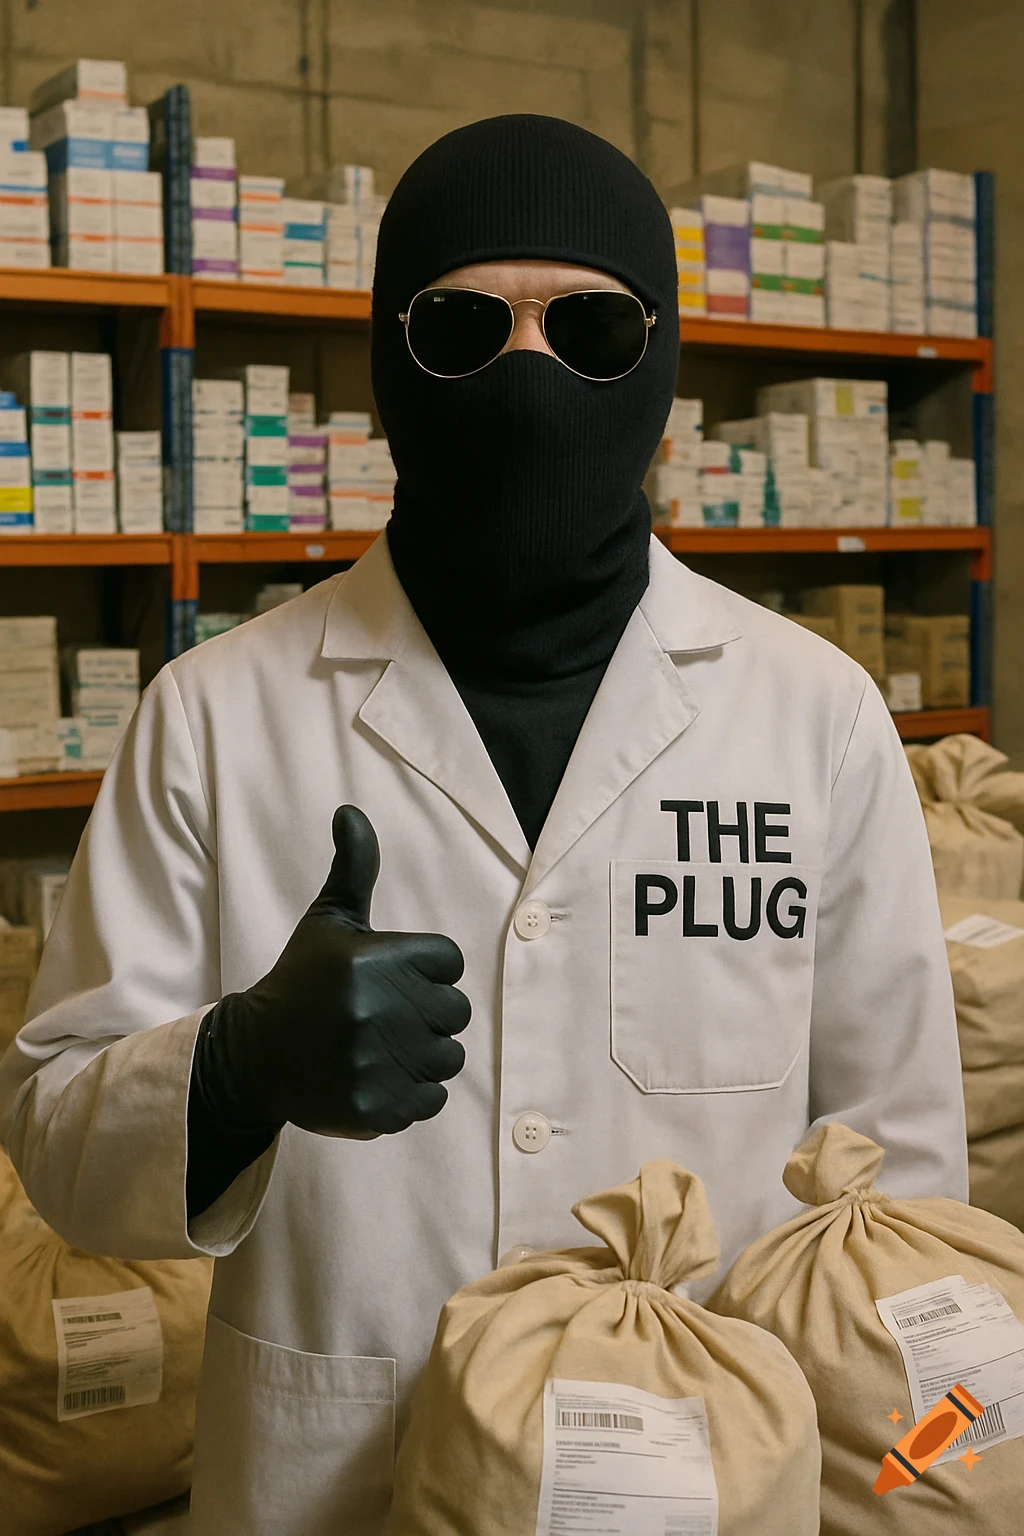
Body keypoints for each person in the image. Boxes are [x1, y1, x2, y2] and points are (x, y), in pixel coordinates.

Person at [0, 115, 967, 1535]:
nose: (527, 375)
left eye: (588, 326)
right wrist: (236, 1068)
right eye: (464, 324)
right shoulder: (217, 713)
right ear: (394, 360)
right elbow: (60, 1140)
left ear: (664, 367)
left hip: (708, 1482)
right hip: (334, 1481)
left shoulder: (811, 716)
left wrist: (900, 1478)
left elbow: (902, 1179)